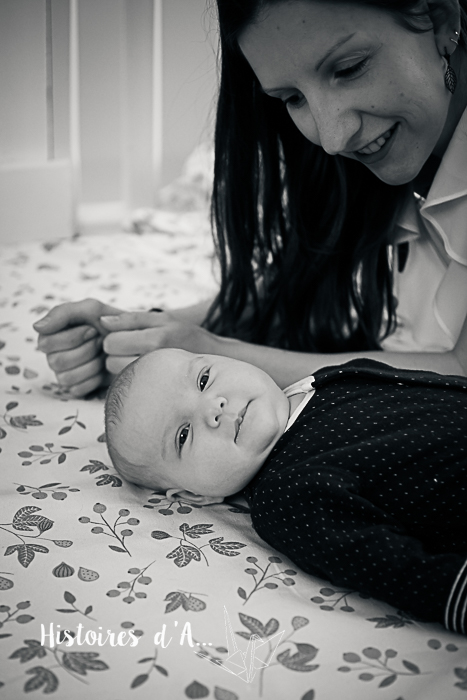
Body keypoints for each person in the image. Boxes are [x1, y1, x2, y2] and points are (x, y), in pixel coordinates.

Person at [35, 0, 467, 395]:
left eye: (349, 69)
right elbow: (308, 279)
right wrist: (141, 335)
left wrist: (210, 353)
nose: (332, 138)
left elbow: (460, 369)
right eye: (293, 98)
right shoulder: (384, 156)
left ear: (439, 19)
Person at [104, 347, 467, 635]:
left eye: (203, 379)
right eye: (183, 435)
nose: (213, 407)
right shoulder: (286, 499)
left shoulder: (324, 380)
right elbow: (396, 570)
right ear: (194, 496)